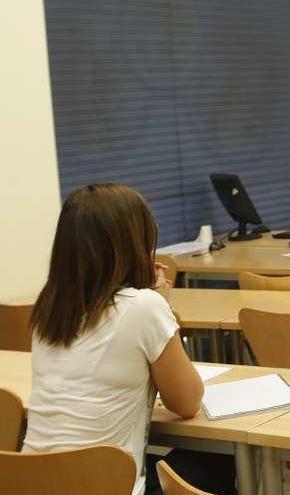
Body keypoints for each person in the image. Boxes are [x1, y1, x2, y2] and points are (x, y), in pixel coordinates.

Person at [21, 183, 214, 495]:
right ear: (135, 244)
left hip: (32, 481)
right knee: (215, 459)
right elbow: (187, 402)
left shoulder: (51, 306)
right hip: (103, 484)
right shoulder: (143, 307)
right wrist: (161, 304)